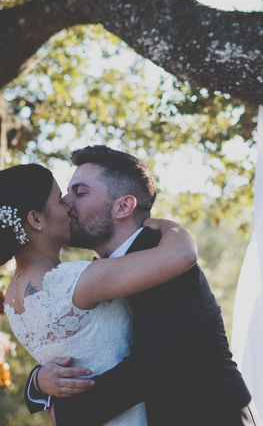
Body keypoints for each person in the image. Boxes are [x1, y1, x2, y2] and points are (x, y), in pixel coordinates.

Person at [18, 146, 256, 425]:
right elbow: (89, 344)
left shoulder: (165, 262)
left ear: (123, 206)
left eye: (80, 193)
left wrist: (66, 413)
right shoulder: (99, 274)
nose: (67, 202)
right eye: (68, 193)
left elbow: (154, 367)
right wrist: (37, 384)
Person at [2, 162, 196, 425]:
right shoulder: (75, 281)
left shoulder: (12, 302)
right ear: (35, 220)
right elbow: (182, 254)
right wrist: (163, 225)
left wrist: (37, 381)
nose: (69, 204)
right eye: (60, 199)